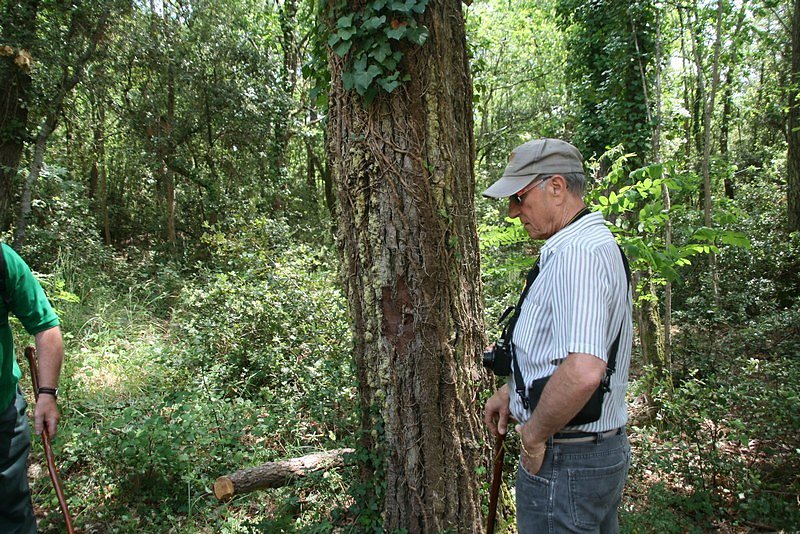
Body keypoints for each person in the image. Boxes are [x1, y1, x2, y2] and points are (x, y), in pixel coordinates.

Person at [482, 138, 633, 533]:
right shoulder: (586, 244)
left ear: (556, 187)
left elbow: (583, 370)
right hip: (590, 457)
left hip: (565, 459)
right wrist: (513, 392)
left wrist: (533, 436)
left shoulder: (577, 254)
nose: (513, 212)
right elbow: (559, 352)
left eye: (519, 197)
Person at [0, 243, 65, 533]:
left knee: (12, 512)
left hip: (3, 417)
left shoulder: (3, 261)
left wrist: (47, 395)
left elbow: (46, 326)